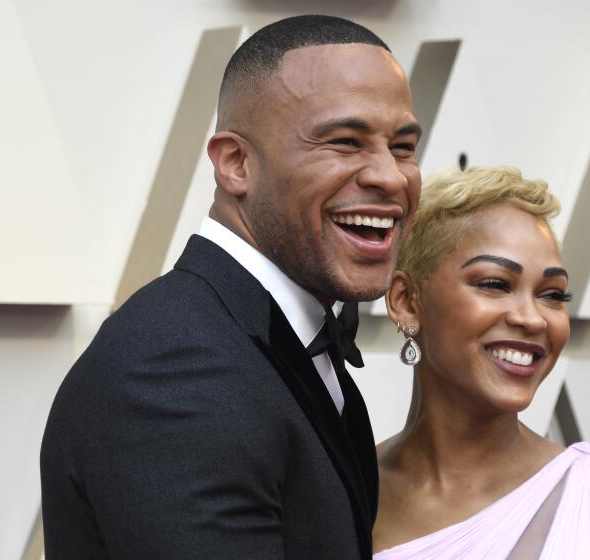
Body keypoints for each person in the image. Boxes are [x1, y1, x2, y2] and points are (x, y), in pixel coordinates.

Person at [40, 15, 421, 559]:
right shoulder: (176, 370)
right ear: (236, 164)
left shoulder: (254, 334)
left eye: (403, 146)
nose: (390, 177)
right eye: (344, 142)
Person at [373, 167, 590, 559]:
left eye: (552, 295)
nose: (532, 319)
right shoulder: (345, 496)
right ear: (406, 301)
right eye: (496, 284)